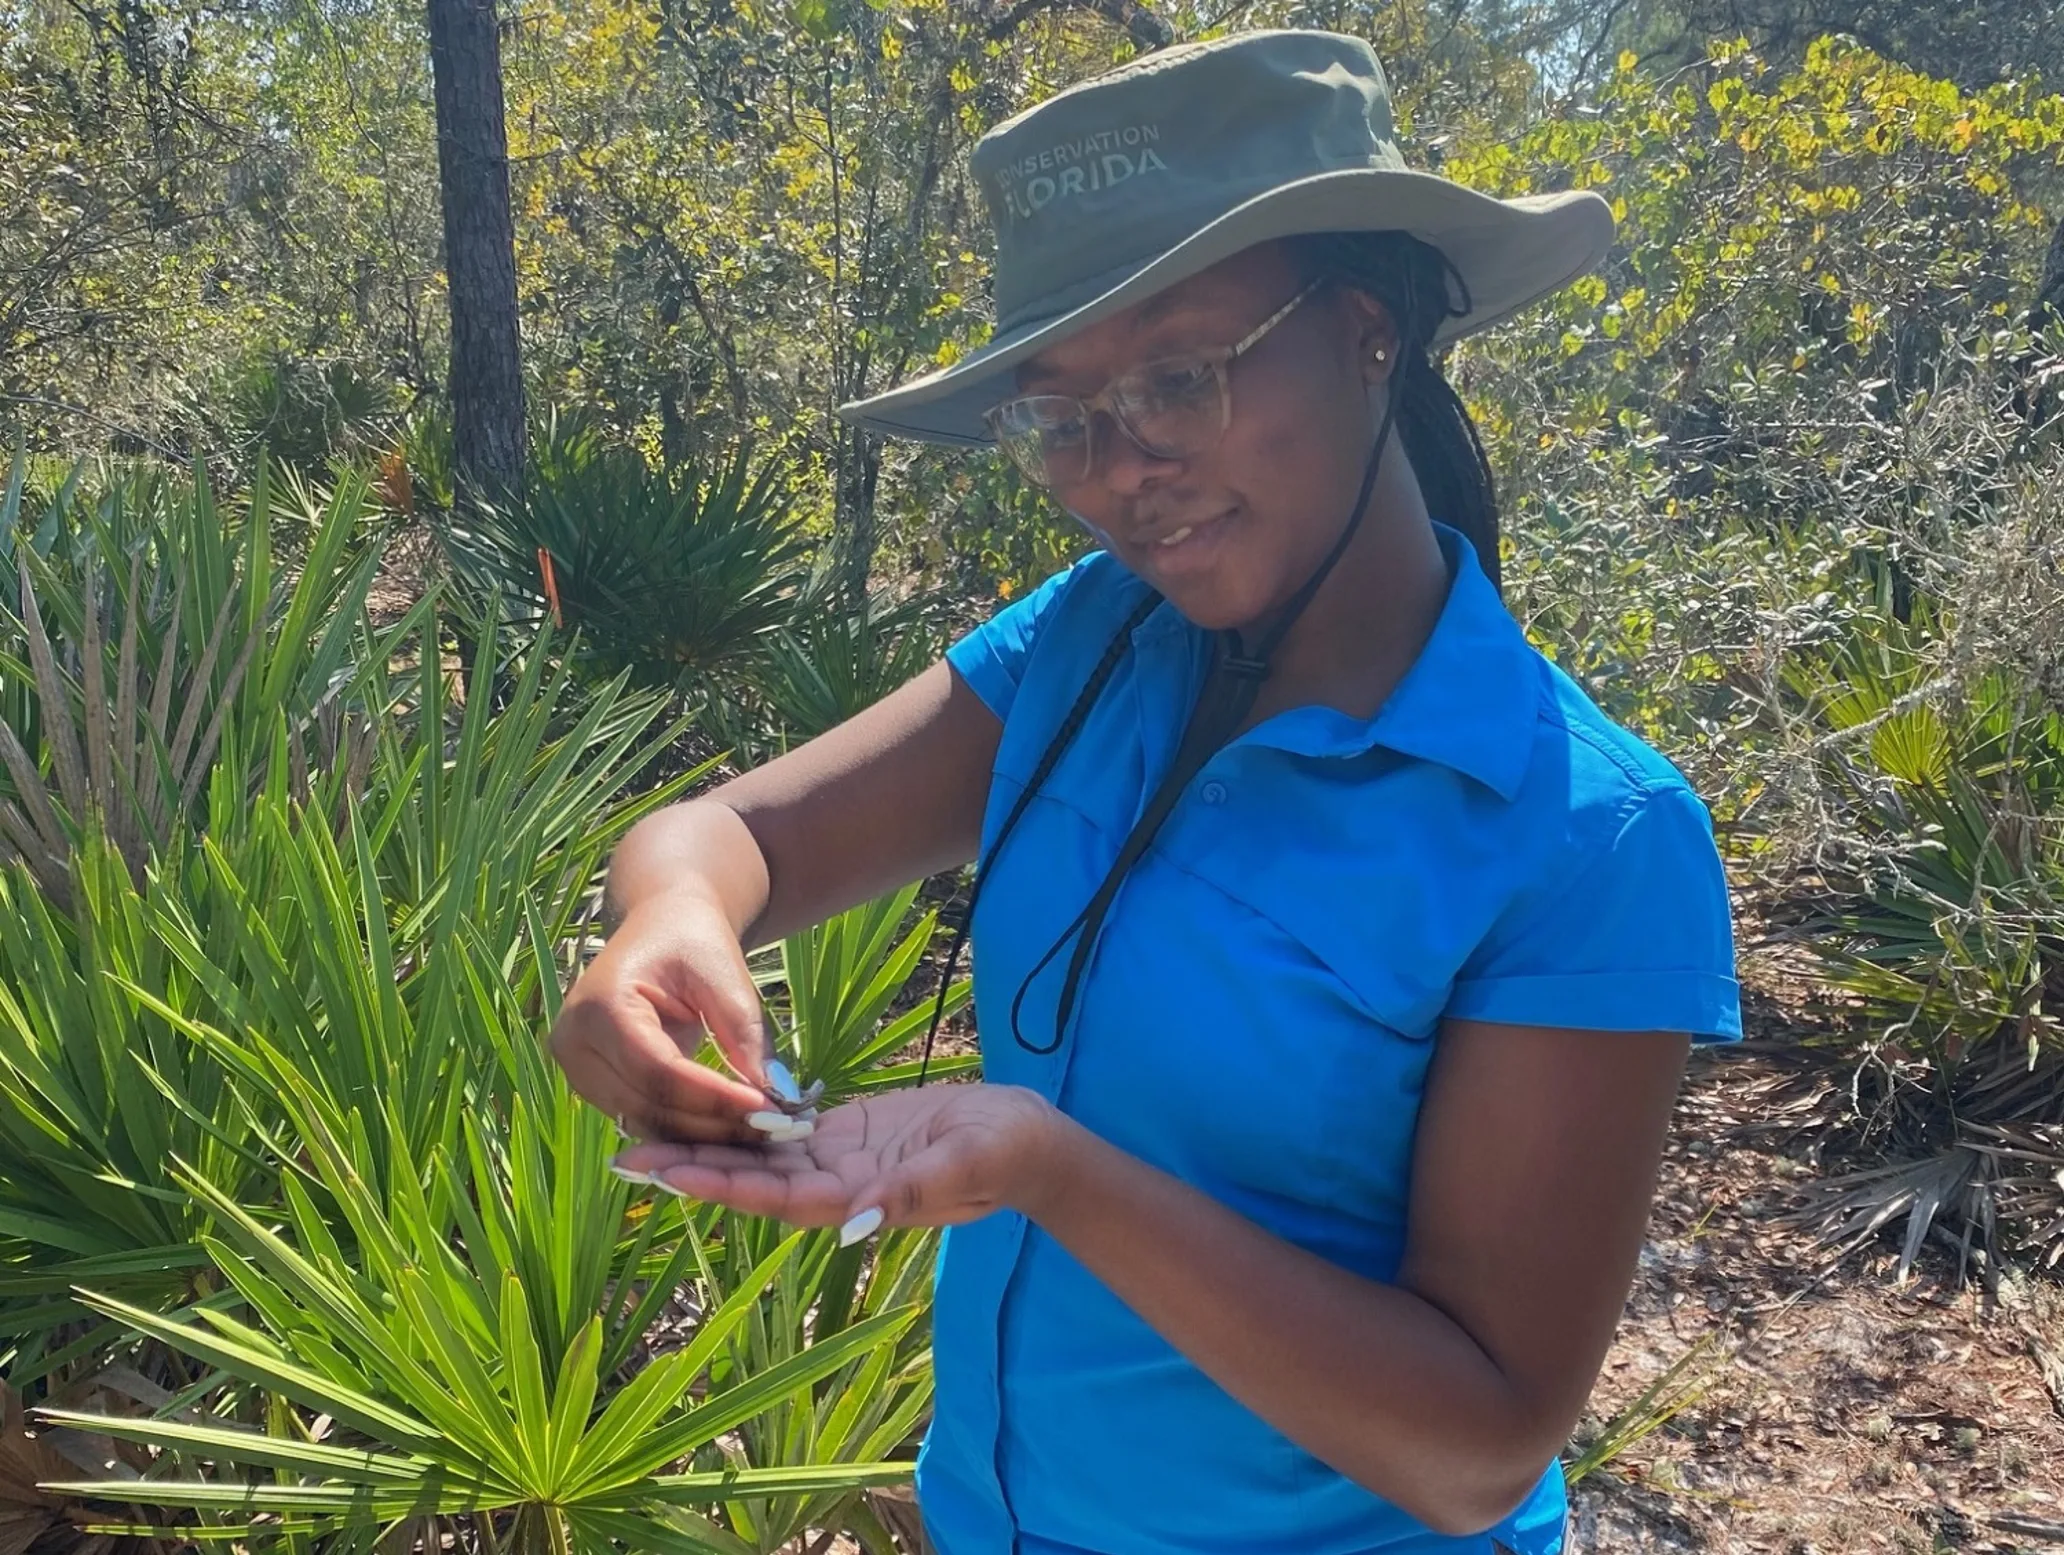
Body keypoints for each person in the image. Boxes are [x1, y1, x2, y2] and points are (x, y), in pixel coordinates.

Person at [549, 29, 1741, 1555]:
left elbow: (1480, 1443)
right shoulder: (1092, 647)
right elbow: (731, 835)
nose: (1123, 470)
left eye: (1181, 377)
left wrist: (1050, 1172)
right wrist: (664, 919)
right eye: (1062, 419)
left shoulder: (1580, 831)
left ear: (1369, 328)